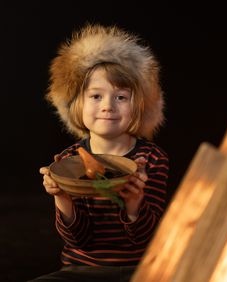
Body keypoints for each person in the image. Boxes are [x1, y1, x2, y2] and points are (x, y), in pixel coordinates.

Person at [29, 23, 169, 282]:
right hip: (81, 271)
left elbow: (148, 239)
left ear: (138, 106)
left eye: (121, 97)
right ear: (77, 104)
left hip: (141, 271)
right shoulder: (69, 160)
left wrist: (134, 204)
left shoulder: (151, 159)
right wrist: (63, 198)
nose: (107, 106)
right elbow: (78, 239)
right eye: (96, 96)